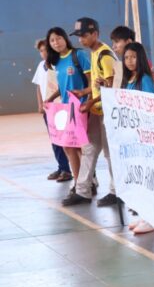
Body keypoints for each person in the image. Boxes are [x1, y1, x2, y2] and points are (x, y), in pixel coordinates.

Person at [68, 17, 120, 208]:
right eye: (79, 36)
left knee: (109, 152)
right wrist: (86, 93)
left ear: (95, 34)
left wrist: (91, 102)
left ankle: (117, 191)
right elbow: (100, 85)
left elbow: (112, 87)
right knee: (89, 148)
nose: (81, 40)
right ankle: (82, 190)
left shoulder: (105, 55)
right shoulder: (94, 52)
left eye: (84, 35)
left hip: (107, 112)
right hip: (98, 111)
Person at [44, 27, 90, 196]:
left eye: (58, 38)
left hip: (80, 107)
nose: (56, 43)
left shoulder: (78, 55)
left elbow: (91, 82)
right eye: (52, 40)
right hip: (65, 108)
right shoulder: (56, 62)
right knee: (69, 147)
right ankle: (81, 182)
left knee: (77, 147)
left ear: (65, 38)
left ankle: (83, 183)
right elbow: (63, 86)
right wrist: (50, 98)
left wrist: (88, 99)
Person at [121, 41, 154, 235]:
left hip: (144, 137)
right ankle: (144, 214)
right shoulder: (128, 79)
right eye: (126, 57)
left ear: (141, 58)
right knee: (140, 178)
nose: (129, 61)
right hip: (132, 136)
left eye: (133, 57)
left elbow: (149, 106)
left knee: (148, 177)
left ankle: (151, 217)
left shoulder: (144, 79)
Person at [34, 39, 72, 182]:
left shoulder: (59, 65)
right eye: (41, 51)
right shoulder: (40, 66)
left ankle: (76, 171)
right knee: (54, 140)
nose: (44, 53)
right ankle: (63, 168)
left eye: (46, 50)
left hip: (61, 107)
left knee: (68, 140)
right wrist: (40, 104)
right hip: (48, 109)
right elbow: (38, 87)